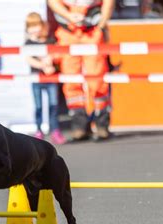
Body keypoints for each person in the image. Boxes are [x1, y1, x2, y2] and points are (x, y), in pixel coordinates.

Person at [48, 0, 115, 141]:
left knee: (97, 78)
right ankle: (79, 125)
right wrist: (68, 15)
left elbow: (109, 3)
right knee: (71, 80)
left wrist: (101, 26)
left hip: (92, 31)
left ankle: (101, 123)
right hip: (67, 32)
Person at [25, 12, 66, 145]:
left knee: (53, 106)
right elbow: (28, 59)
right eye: (31, 26)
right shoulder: (28, 43)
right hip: (37, 79)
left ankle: (55, 130)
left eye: (36, 25)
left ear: (42, 25)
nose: (35, 29)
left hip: (51, 79)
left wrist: (49, 61)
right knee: (38, 106)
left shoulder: (50, 40)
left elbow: (55, 53)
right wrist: (43, 65)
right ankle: (39, 130)